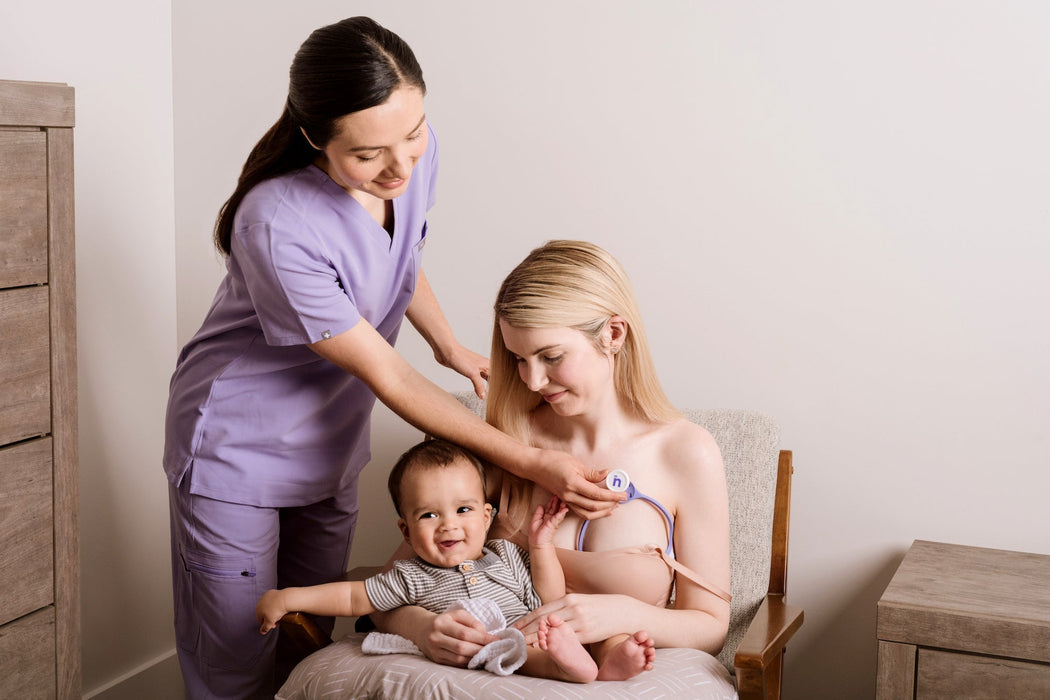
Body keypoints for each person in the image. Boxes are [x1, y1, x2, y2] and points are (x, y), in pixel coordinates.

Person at [163, 19, 622, 699]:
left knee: (311, 640)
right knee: (240, 652)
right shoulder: (276, 222)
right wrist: (527, 460)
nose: (401, 166)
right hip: (238, 448)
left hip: (329, 444)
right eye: (371, 153)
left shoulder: (410, 153)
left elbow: (399, 257)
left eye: (414, 134)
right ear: (316, 135)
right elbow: (386, 372)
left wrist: (447, 345)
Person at [372, 240, 733, 683]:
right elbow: (385, 592)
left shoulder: (685, 452)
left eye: (551, 356)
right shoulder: (506, 443)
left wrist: (620, 614)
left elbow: (712, 623)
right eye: (520, 360)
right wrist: (424, 627)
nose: (533, 379)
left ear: (614, 334)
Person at [255, 439, 655, 682]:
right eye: (429, 515)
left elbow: (548, 596)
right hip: (504, 642)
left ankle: (612, 659)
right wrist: (290, 598)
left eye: (462, 510)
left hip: (545, 625)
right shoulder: (410, 577)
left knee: (604, 633)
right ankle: (568, 668)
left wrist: (540, 544)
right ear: (407, 532)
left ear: (486, 517)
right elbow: (352, 599)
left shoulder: (505, 554)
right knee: (517, 650)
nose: (448, 525)